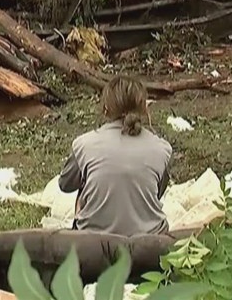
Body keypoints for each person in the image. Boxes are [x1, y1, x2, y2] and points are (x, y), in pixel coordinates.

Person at [57, 76, 172, 236]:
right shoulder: (162, 149)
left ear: (106, 109)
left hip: (93, 240)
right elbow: (158, 191)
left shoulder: (84, 145)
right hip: (149, 239)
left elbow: (65, 185)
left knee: (84, 184)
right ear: (144, 108)